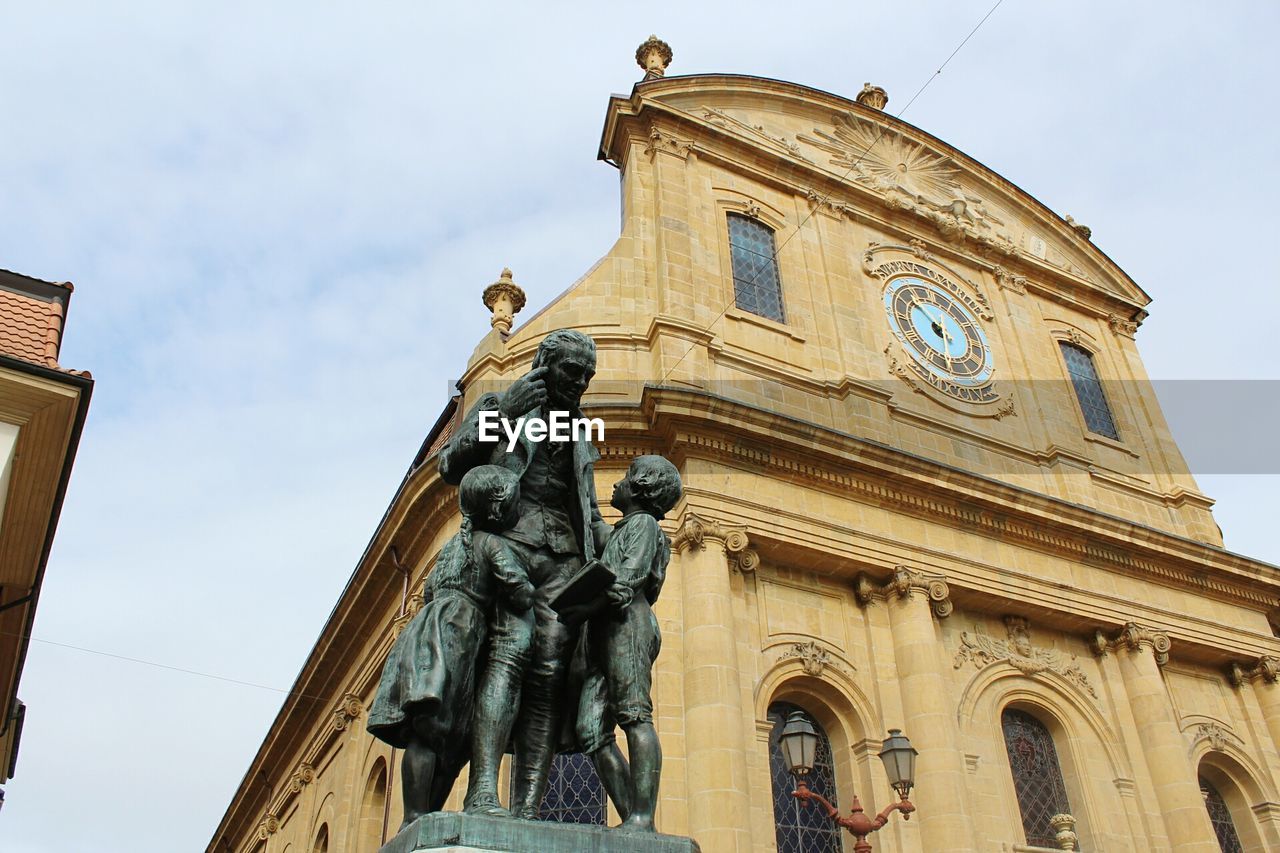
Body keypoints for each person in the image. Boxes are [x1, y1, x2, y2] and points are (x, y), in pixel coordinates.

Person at [438, 329, 612, 819]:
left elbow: (587, 510)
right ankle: (482, 794)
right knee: (506, 657)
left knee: (550, 675)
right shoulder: (506, 406)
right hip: (508, 543)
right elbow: (450, 465)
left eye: (586, 375)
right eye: (570, 371)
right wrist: (505, 411)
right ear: (544, 364)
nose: (579, 383)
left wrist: (623, 542)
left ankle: (529, 808)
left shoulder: (579, 433)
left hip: (563, 560)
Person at [366, 465, 534, 828]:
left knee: (430, 729)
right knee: (448, 732)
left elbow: (427, 592)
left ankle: (416, 815)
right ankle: (419, 815)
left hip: (427, 629)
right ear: (497, 509)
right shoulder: (490, 543)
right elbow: (518, 588)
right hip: (458, 633)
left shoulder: (451, 547)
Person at [575, 455, 683, 833]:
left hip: (628, 624)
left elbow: (626, 580)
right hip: (604, 628)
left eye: (624, 478)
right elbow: (593, 523)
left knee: (635, 715)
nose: (616, 484)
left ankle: (642, 819)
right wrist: (581, 465)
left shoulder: (644, 525)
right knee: (590, 731)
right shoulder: (623, 530)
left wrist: (578, 605)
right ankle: (631, 820)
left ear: (640, 487)